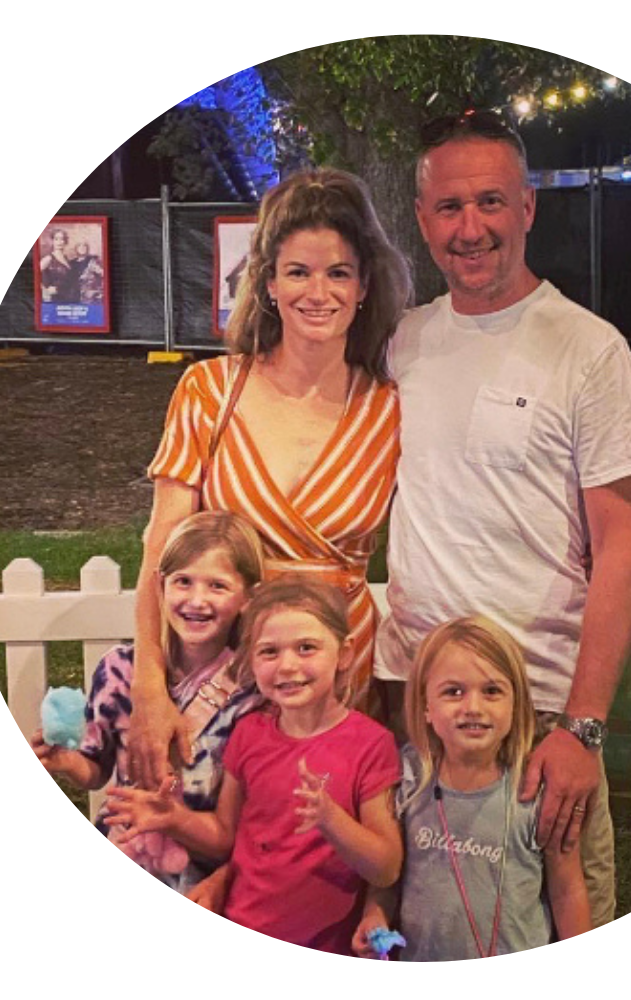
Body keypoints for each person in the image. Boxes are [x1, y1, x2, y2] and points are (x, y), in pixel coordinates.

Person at [373, 110, 631, 931]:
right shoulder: (407, 342)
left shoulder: (587, 348)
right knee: (426, 929)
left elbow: (621, 545)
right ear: (424, 219)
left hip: (536, 715)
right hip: (417, 710)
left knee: (568, 934)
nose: (472, 229)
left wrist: (582, 729)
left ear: (528, 208)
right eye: (451, 207)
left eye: (491, 203)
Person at [129, 168, 412, 790]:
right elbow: (161, 546)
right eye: (298, 272)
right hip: (224, 672)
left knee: (326, 860)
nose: (319, 291)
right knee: (209, 864)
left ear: (364, 285)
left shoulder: (393, 408)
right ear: (269, 284)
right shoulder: (208, 391)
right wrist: (149, 681)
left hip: (343, 671)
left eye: (338, 272)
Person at [107, 577, 403, 957]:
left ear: (344, 654)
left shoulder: (370, 744)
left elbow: (387, 868)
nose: (288, 665)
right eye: (269, 652)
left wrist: (332, 820)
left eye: (307, 648)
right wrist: (173, 818)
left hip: (324, 945)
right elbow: (226, 836)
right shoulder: (249, 733)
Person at [31, 510, 265, 894]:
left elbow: (246, 821)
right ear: (160, 587)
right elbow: (96, 770)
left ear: (247, 596)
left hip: (208, 876)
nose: (196, 600)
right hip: (128, 857)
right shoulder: (120, 670)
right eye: (183, 582)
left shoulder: (250, 691)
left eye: (218, 586)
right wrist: (64, 761)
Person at [353, 617, 589, 969]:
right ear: (426, 707)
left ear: (516, 703)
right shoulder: (407, 779)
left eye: (492, 691)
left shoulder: (537, 789)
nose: (473, 707)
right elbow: (389, 876)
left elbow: (568, 892)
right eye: (453, 692)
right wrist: (374, 914)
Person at [40, 228, 81, 303]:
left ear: (65, 242)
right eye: (56, 239)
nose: (59, 242)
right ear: (52, 241)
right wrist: (45, 291)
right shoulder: (48, 258)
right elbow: (33, 275)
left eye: (62, 239)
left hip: (69, 297)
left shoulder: (67, 259)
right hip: (56, 299)